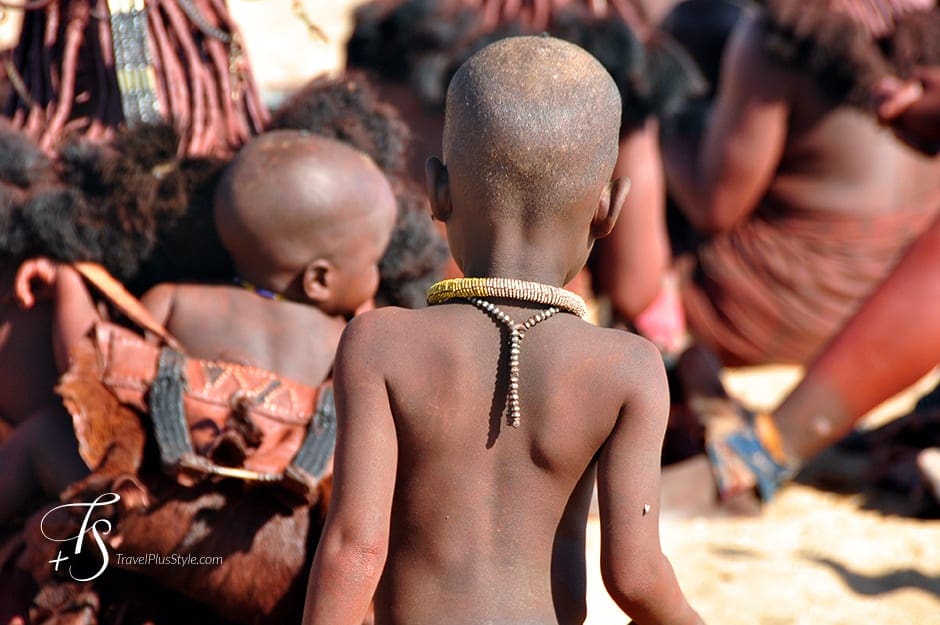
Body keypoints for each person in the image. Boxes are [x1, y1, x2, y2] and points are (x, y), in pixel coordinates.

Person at [303, 36, 703, 625]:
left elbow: (353, 551)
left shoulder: (379, 344)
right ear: (609, 208)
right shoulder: (629, 369)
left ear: (437, 191)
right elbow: (636, 577)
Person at [618, 1, 940, 365]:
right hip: (894, 325)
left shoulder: (783, 39)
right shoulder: (925, 26)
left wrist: (655, 117)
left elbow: (713, 207)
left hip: (762, 329)